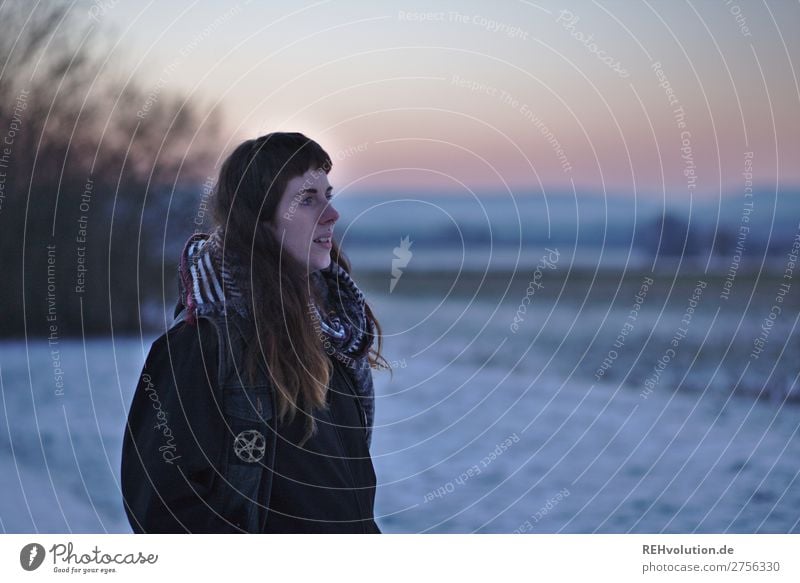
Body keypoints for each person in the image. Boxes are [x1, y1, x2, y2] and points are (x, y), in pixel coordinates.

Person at [121, 132, 389, 533]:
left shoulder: (335, 336)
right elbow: (161, 508)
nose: (331, 215)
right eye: (308, 199)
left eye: (328, 195)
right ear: (259, 216)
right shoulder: (205, 343)